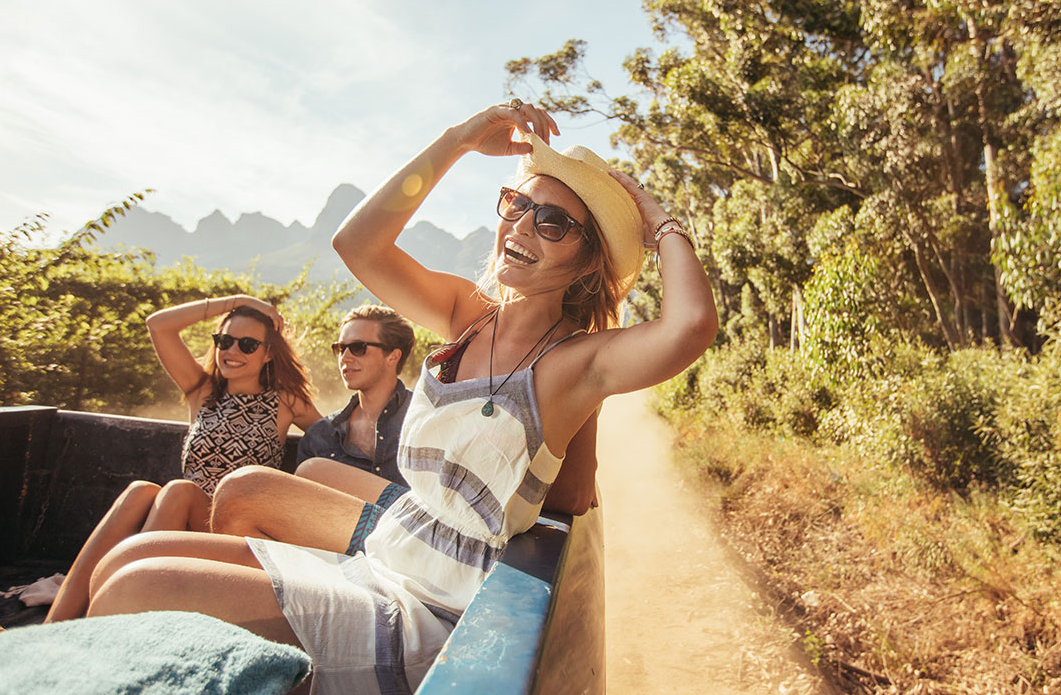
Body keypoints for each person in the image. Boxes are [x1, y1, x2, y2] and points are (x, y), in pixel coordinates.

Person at [79, 101, 718, 693]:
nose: (522, 226)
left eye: (552, 222)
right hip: (385, 553)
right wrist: (459, 140)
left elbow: (688, 326)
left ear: (585, 262)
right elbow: (357, 245)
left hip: (430, 605)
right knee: (128, 560)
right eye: (517, 205)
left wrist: (659, 220)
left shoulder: (575, 363)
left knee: (135, 590)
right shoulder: (468, 315)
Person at [45, 295, 322, 623]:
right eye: (225, 341)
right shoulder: (202, 391)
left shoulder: (286, 402)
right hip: (186, 523)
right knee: (140, 492)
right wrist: (238, 300)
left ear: (268, 354)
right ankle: (54, 625)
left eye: (247, 345)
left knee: (179, 491)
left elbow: (333, 441)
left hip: (237, 530)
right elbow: (158, 325)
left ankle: (106, 618)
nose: (232, 352)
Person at [293, 304, 418, 489]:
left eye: (358, 347)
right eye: (341, 348)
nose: (345, 358)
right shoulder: (320, 436)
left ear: (393, 357)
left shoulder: (425, 421)